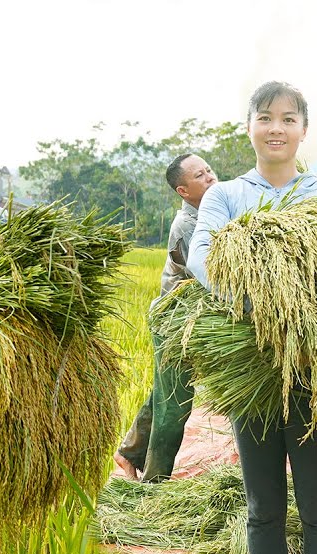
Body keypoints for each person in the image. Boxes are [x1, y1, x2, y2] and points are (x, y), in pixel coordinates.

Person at [186, 81, 317, 554]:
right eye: (265, 118)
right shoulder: (226, 196)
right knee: (262, 509)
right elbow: (205, 257)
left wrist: (301, 309)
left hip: (311, 376)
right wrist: (268, 297)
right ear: (249, 127)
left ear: (304, 128)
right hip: (251, 373)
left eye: (288, 118)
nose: (275, 128)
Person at [113, 153, 216, 483]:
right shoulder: (187, 227)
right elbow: (211, 279)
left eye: (209, 170)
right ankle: (154, 482)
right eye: (200, 176)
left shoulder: (215, 209)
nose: (211, 177)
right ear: (184, 191)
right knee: (175, 401)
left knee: (166, 389)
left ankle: (129, 453)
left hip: (189, 318)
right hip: (173, 321)